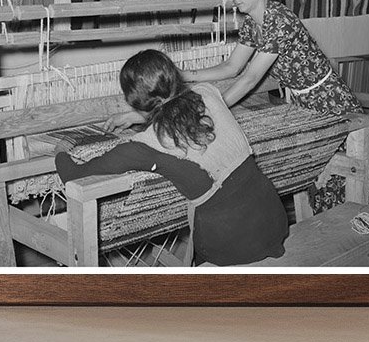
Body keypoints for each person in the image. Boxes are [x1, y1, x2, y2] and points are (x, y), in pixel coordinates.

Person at [55, 49, 288, 266]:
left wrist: (60, 150)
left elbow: (74, 176)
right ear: (175, 78)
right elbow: (184, 114)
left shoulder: (143, 146)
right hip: (274, 221)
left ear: (133, 101)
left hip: (229, 245)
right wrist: (137, 117)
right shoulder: (208, 93)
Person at [186, 0, 369, 207]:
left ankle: (357, 232)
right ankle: (329, 234)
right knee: (318, 174)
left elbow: (251, 77)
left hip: (329, 102)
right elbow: (232, 67)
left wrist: (214, 109)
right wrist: (187, 75)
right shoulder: (252, 25)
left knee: (344, 175)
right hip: (304, 103)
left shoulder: (279, 20)